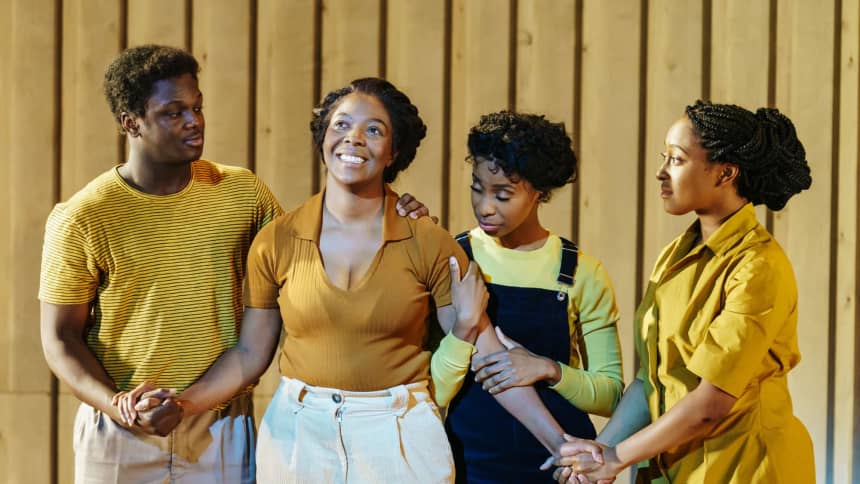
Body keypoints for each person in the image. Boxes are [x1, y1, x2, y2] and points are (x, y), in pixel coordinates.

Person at [119, 77, 568, 483]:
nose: (354, 137)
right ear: (323, 138)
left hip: (400, 434)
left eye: (374, 129)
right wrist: (183, 404)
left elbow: (488, 357)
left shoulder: (429, 243)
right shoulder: (276, 239)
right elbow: (250, 354)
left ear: (394, 153)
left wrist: (561, 446)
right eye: (341, 125)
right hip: (297, 433)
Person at [38, 46, 430, 484]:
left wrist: (396, 209)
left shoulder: (243, 194)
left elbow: (315, 247)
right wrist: (118, 406)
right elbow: (60, 338)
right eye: (174, 113)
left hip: (221, 425)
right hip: (118, 428)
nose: (194, 121)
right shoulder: (82, 216)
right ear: (132, 123)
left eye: (197, 107)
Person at [552, 101, 815, 484]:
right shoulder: (674, 256)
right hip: (673, 469)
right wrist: (597, 453)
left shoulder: (759, 268)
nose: (660, 172)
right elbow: (650, 380)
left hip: (744, 471)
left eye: (676, 159)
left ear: (725, 173)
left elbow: (711, 404)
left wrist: (616, 457)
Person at [441, 111, 624, 483]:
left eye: (502, 194)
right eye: (477, 187)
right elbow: (432, 390)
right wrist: (463, 332)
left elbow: (612, 395)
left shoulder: (581, 273)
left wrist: (549, 369)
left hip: (562, 467)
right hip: (469, 464)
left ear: (539, 192)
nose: (485, 206)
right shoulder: (452, 260)